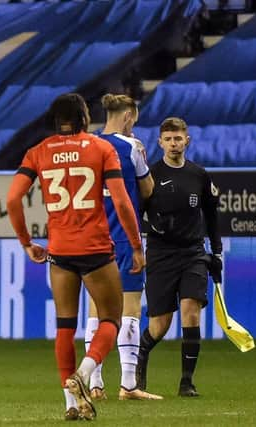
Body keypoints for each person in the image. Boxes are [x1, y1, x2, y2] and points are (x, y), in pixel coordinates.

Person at [6, 93, 145, 421]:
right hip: (95, 248)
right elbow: (123, 203)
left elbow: (13, 199)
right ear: (85, 117)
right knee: (111, 318)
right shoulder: (101, 148)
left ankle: (71, 405)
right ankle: (83, 373)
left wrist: (27, 242)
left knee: (65, 326)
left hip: (60, 251)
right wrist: (136, 246)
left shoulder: (38, 152)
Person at [135, 117, 222, 397]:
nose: (174, 143)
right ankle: (140, 357)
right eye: (169, 139)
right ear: (160, 142)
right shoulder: (150, 175)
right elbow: (135, 214)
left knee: (191, 311)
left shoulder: (199, 174)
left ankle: (187, 382)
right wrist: (150, 228)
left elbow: (211, 214)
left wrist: (216, 251)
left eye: (178, 138)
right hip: (161, 254)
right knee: (160, 325)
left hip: (193, 253)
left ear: (188, 141)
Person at [84, 94, 161, 401]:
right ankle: (129, 384)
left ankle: (95, 384)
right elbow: (148, 189)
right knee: (129, 310)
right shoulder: (132, 147)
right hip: (123, 239)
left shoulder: (88, 144)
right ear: (129, 116)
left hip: (91, 240)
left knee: (95, 312)